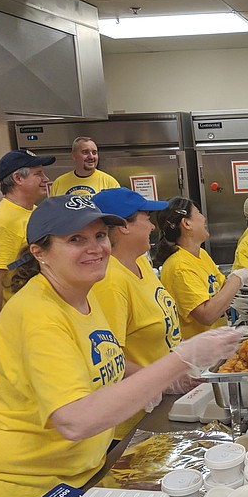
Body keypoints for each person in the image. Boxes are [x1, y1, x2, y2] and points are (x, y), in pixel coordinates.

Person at [0, 195, 241, 497]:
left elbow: (108, 360)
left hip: (85, 472)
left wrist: (169, 382)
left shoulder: (82, 293)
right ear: (40, 253)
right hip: (32, 491)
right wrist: (180, 360)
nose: (95, 247)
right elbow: (74, 420)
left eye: (99, 235)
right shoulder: (37, 314)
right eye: (75, 240)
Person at [91, 188, 191, 442]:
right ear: (123, 226)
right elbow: (110, 359)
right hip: (135, 421)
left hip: (160, 404)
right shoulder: (110, 282)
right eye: (146, 217)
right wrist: (164, 380)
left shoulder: (141, 263)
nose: (152, 226)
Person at [155, 197, 248, 338]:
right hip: (198, 355)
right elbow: (207, 315)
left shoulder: (200, 254)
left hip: (218, 344)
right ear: (186, 223)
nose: (203, 218)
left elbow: (222, 289)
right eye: (198, 213)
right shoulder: (179, 267)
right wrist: (236, 279)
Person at [0, 149, 54, 326]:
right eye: (38, 174)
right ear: (18, 179)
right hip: (17, 318)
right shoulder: (1, 221)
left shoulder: (36, 212)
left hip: (39, 310)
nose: (46, 179)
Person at [51, 136, 120, 197]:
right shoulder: (58, 183)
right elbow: (52, 211)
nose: (91, 156)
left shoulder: (110, 183)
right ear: (74, 156)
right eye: (85, 152)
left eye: (94, 153)